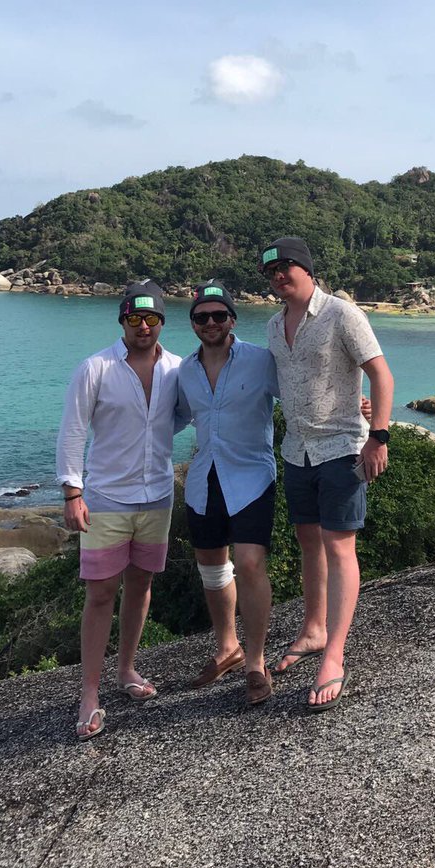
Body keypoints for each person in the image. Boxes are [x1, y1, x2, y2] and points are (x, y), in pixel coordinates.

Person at [259, 237, 394, 712]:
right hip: (297, 451)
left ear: (307, 268)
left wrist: (378, 435)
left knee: (339, 547)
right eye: (271, 270)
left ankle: (334, 654)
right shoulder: (275, 326)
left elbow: (381, 373)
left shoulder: (341, 313)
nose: (279, 275)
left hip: (341, 448)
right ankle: (313, 630)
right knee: (307, 541)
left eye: (287, 266)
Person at [56, 280, 182, 740]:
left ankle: (126, 669)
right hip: (107, 496)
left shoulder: (176, 369)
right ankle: (90, 692)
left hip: (157, 495)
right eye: (134, 319)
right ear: (122, 321)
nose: (143, 327)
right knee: (101, 592)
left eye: (151, 319)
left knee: (142, 583)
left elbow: (190, 411)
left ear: (162, 322)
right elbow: (72, 431)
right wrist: (73, 493)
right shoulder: (96, 368)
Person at [176, 282, 279, 706]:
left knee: (250, 563)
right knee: (212, 568)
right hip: (204, 478)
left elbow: (303, 393)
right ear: (194, 323)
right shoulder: (184, 370)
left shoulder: (259, 361)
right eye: (202, 317)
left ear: (232, 319)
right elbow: (173, 417)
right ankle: (227, 648)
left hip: (252, 476)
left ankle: (255, 662)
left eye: (219, 315)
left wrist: (359, 410)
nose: (211, 323)